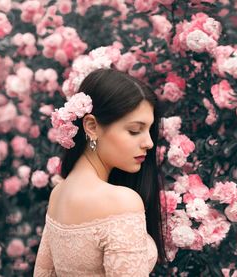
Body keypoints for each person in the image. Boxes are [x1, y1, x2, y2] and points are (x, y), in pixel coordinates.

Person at [33, 68, 168, 276]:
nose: (148, 143)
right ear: (91, 126)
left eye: (149, 130)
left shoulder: (58, 194)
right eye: (134, 130)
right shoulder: (122, 202)